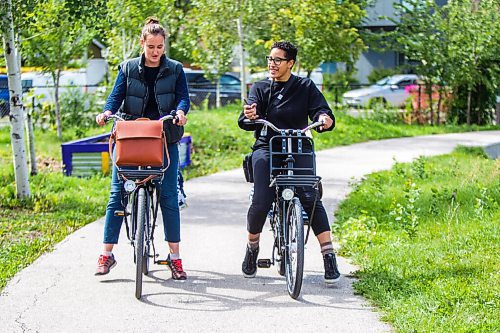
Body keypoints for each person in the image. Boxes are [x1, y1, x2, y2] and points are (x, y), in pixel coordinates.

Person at [237, 41, 341, 284]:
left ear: (290, 63)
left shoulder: (305, 86)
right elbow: (245, 118)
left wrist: (324, 119)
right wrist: (250, 116)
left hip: (297, 144)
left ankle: (328, 255)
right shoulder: (261, 87)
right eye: (270, 59)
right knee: (261, 200)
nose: (272, 64)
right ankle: (252, 248)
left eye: (277, 60)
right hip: (267, 146)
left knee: (309, 196)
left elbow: (322, 112)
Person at [95, 17, 190, 280]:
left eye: (160, 47)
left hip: (164, 138)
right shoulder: (127, 69)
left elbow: (183, 97)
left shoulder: (175, 69)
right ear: (142, 44)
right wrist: (106, 112)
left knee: (169, 197)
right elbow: (115, 97)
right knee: (117, 196)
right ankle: (106, 254)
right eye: (151, 47)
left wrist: (181, 111)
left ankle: (175, 258)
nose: (156, 52)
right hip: (131, 137)